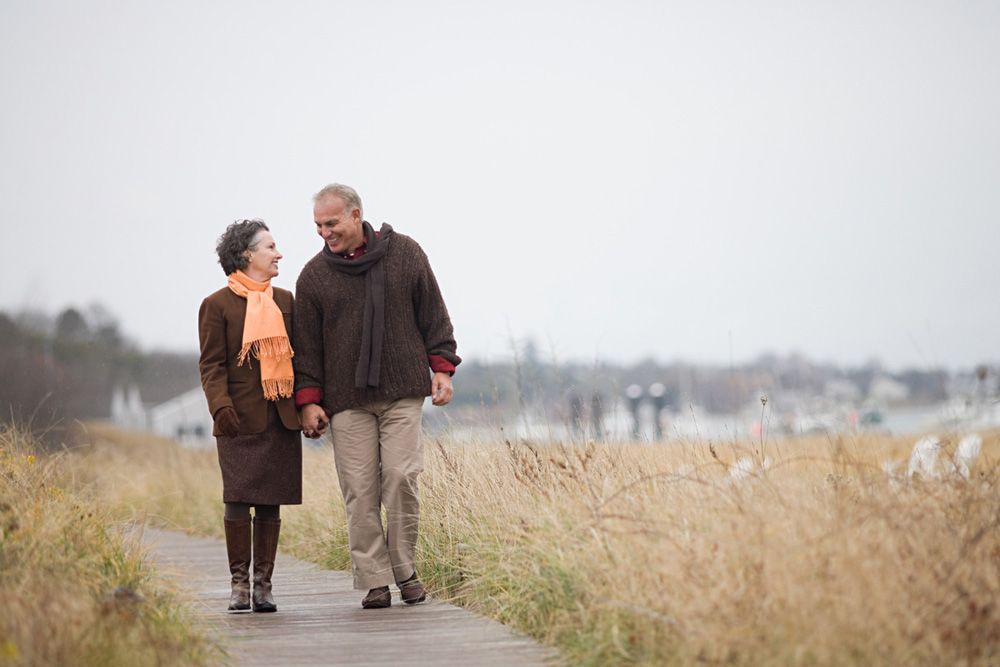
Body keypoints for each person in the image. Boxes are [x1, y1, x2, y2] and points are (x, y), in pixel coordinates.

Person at [293, 184, 460, 609]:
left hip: (403, 389)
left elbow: (434, 313)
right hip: (345, 399)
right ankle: (373, 580)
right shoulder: (313, 276)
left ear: (355, 215)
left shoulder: (405, 254)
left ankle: (405, 571)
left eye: (331, 223)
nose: (324, 233)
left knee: (402, 478)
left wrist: (442, 367)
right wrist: (309, 399)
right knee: (360, 490)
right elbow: (307, 346)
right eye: (318, 226)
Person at [198, 219, 302, 613]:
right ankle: (239, 586)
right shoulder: (216, 305)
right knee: (238, 499)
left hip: (281, 414)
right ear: (247, 254)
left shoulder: (287, 301)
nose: (278, 254)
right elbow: (211, 365)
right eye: (270, 247)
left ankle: (264, 587)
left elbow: (301, 357)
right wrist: (220, 407)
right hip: (238, 419)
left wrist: (309, 404)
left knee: (271, 500)